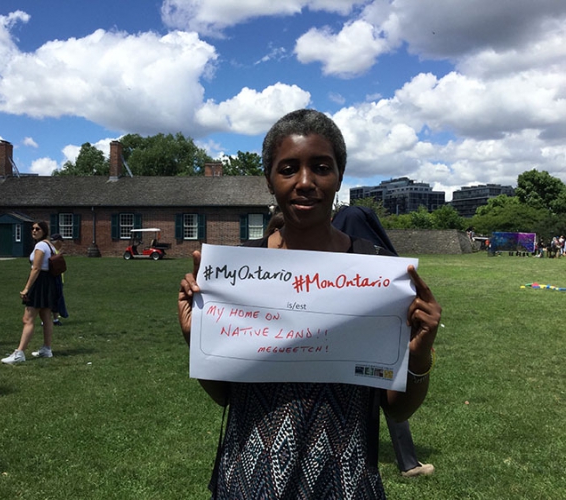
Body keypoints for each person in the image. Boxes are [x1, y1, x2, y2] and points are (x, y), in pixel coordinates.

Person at [178, 109, 441, 498]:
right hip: (251, 480)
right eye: (288, 169)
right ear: (269, 179)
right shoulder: (238, 271)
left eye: (321, 167)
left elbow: (397, 410)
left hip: (345, 481)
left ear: (339, 176)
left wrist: (419, 357)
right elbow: (227, 397)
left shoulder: (378, 271)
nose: (305, 182)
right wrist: (197, 337)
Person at [332, 205, 435, 478]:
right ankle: (408, 462)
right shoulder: (379, 260)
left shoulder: (332, 257)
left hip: (343, 344)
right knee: (388, 387)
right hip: (377, 342)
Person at [2, 221, 58, 364]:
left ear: (44, 231)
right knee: (46, 316)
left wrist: (27, 288)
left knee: (28, 319)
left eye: (37, 229)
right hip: (48, 282)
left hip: (39, 282)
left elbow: (36, 268)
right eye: (32, 229)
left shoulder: (40, 246)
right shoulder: (50, 245)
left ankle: (20, 352)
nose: (34, 231)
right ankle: (47, 348)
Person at [50, 233, 69, 326]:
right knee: (51, 299)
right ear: (57, 241)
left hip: (59, 279)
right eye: (61, 241)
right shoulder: (51, 251)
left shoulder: (56, 251)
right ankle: (47, 320)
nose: (62, 244)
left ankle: (55, 319)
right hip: (53, 279)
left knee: (56, 299)